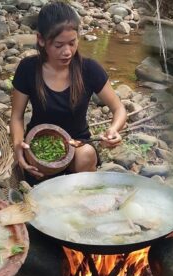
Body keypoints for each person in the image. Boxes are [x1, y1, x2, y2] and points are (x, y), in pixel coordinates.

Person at [10, 1, 127, 185]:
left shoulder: (89, 69)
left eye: (72, 43)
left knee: (86, 155)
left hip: (78, 145)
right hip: (39, 146)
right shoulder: (28, 68)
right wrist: (18, 146)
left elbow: (118, 108)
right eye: (58, 45)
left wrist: (113, 130)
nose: (67, 52)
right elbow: (16, 116)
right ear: (41, 39)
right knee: (38, 179)